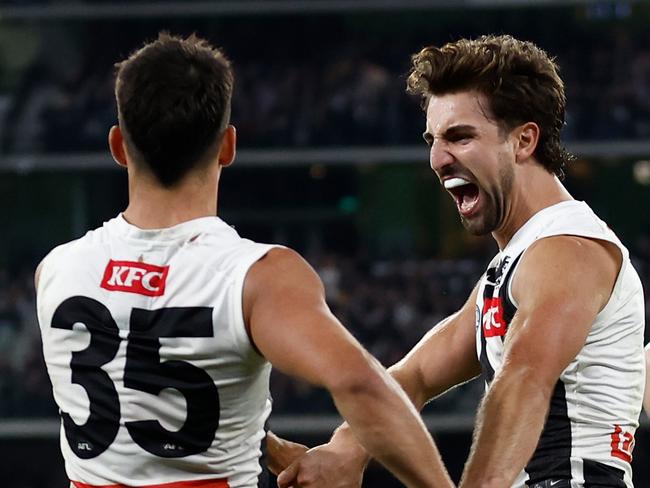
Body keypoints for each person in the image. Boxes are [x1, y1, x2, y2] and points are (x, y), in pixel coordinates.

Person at [34, 33, 454, 488]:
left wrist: (255, 437)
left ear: (118, 145)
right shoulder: (258, 278)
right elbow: (360, 385)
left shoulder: (57, 270)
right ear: (228, 145)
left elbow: (132, 387)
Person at [277, 34, 645, 488]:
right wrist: (344, 449)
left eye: (460, 137)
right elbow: (413, 375)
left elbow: (524, 381)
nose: (437, 158)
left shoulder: (569, 250)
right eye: (433, 139)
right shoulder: (514, 265)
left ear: (524, 141)